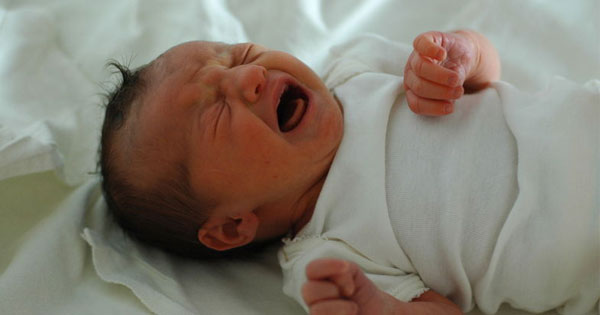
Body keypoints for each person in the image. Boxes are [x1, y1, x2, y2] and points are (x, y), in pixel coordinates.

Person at [99, 29, 599, 315]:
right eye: (214, 113)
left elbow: (486, 74)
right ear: (233, 225)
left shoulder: (357, 71)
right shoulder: (327, 256)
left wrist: (463, 57)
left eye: (238, 55)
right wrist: (382, 309)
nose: (250, 76)